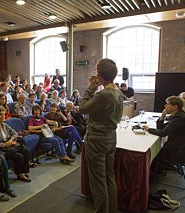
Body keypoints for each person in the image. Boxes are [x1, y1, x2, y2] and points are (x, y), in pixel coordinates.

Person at [79, 58, 124, 213]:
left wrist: (90, 88)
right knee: (109, 177)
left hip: (97, 139)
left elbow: (82, 108)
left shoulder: (104, 94)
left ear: (100, 75)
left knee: (98, 181)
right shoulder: (118, 92)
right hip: (111, 137)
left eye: (97, 74)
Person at [142, 96, 185, 176]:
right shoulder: (179, 115)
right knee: (158, 148)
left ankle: (152, 174)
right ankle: (157, 171)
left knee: (153, 153)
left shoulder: (179, 118)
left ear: (175, 107)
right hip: (182, 146)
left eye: (167, 104)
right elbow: (161, 128)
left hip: (180, 151)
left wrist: (148, 129)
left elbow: (163, 133)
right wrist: (163, 115)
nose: (165, 106)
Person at [0, 106, 31, 182]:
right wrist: (6, 144)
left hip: (10, 145)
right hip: (1, 149)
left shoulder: (4, 125)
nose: (3, 116)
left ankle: (24, 171)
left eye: (4, 114)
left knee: (26, 150)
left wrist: (11, 140)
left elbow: (15, 133)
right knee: (19, 156)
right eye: (0, 114)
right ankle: (20, 174)